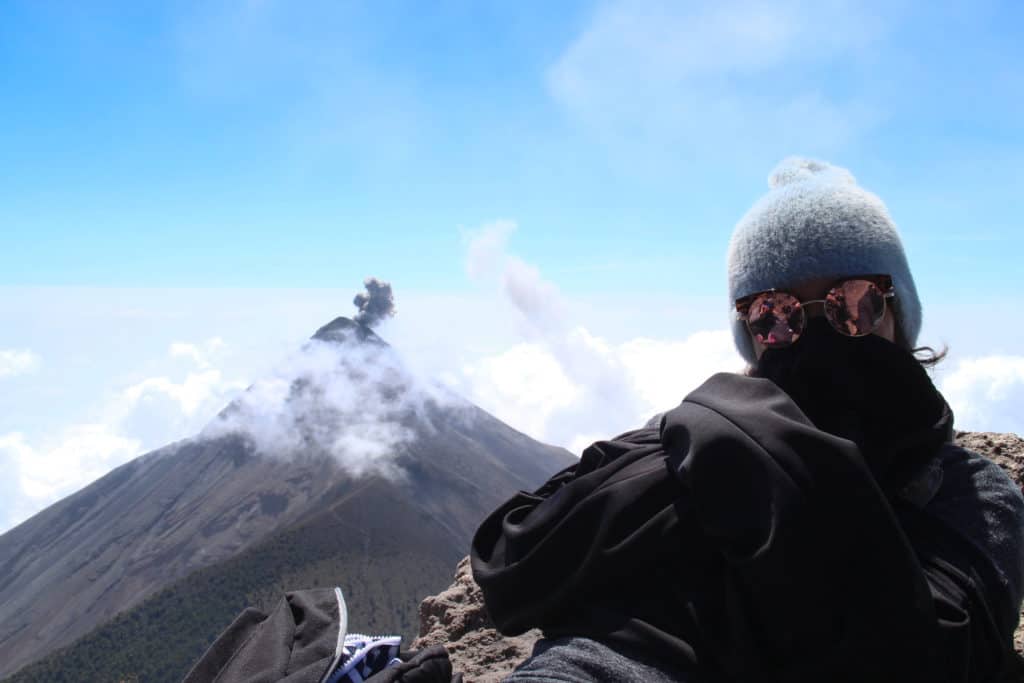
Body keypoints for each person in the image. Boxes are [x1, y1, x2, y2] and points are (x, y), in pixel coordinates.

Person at [471, 158, 1024, 682]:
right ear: (750, 335)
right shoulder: (684, 447)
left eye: (852, 303)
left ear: (898, 312)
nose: (818, 339)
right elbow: (599, 648)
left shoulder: (967, 493)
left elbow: (939, 656)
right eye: (773, 314)